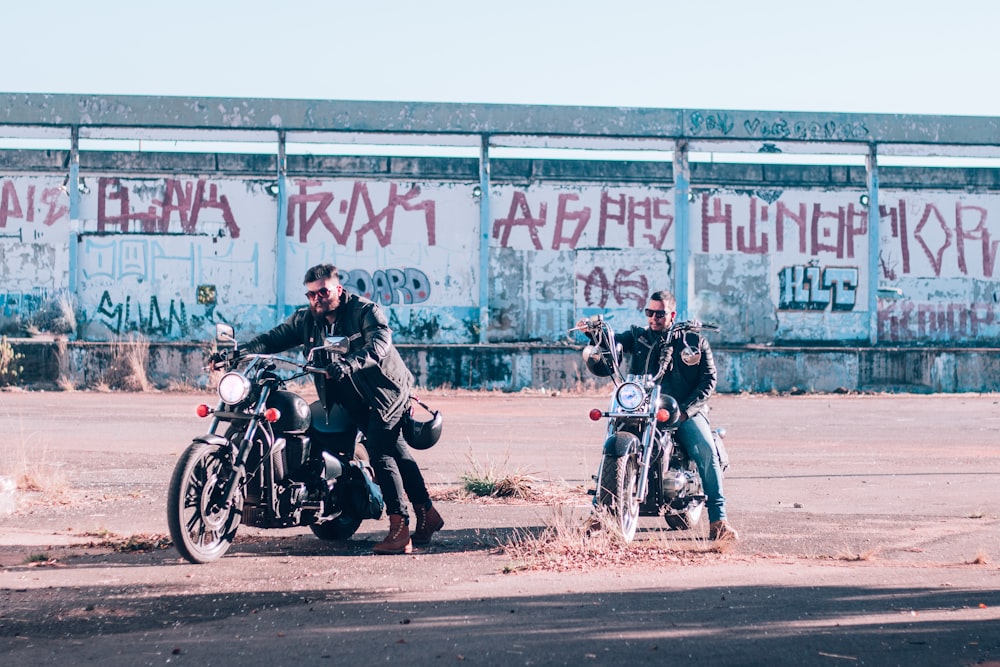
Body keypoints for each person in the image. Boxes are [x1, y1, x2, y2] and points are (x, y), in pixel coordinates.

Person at [240, 263, 444, 554]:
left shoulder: (364, 311)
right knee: (397, 452)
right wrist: (239, 351)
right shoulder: (306, 320)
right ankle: (428, 515)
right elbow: (273, 338)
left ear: (338, 288)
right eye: (311, 295)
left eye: (323, 291)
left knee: (381, 452)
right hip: (353, 400)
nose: (317, 299)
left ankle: (400, 529)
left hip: (386, 392)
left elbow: (380, 344)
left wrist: (349, 363)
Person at [579, 289, 738, 542]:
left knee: (706, 450)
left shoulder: (692, 342)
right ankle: (599, 515)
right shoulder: (638, 337)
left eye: (659, 314)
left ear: (672, 314)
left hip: (683, 409)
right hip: (642, 406)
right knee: (611, 443)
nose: (653, 318)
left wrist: (687, 411)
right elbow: (613, 344)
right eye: (649, 312)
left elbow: (709, 381)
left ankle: (719, 520)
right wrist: (594, 333)